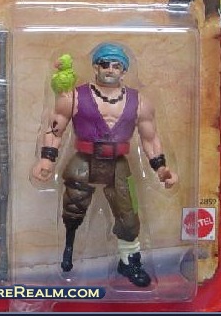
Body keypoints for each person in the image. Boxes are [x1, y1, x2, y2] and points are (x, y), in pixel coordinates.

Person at [32, 42, 178, 287]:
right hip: (84, 160)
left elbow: (150, 138)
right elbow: (55, 128)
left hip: (118, 164)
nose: (110, 69)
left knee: (128, 214)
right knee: (73, 208)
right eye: (105, 64)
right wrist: (47, 159)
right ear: (96, 67)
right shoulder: (74, 97)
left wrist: (161, 168)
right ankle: (68, 251)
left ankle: (129, 261)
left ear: (124, 70)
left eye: (116, 65)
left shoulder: (139, 102)